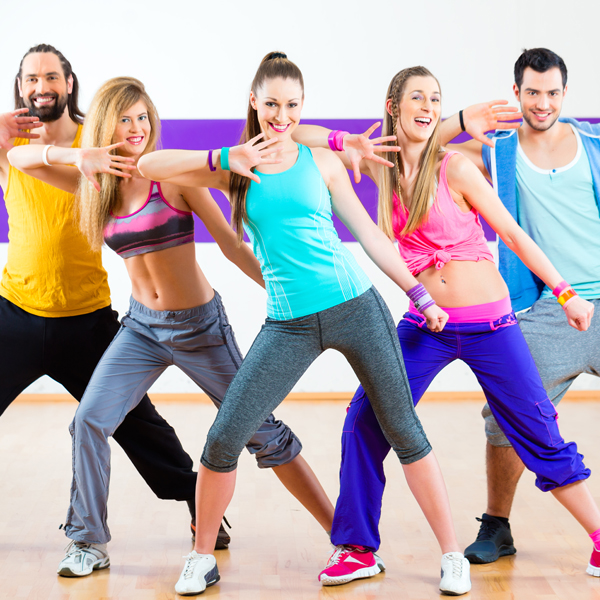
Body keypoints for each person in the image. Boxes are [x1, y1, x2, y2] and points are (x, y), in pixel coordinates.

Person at [139, 51, 472, 597]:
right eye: (271, 104)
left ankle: (452, 554)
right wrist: (224, 154)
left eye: (292, 105)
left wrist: (417, 293)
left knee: (403, 430)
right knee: (224, 437)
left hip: (355, 307)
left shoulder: (321, 161)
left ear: (302, 106)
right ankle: (201, 557)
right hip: (287, 325)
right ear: (254, 101)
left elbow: (369, 235)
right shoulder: (233, 167)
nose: (281, 115)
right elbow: (150, 165)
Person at [8, 75, 336, 578]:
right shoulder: (95, 184)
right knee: (89, 420)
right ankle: (88, 541)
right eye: (125, 118)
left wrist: (283, 292)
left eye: (143, 117)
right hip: (141, 329)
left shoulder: (175, 176)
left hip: (200, 328)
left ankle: (345, 533)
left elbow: (231, 244)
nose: (136, 127)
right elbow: (19, 159)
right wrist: (78, 156)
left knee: (263, 433)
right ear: (105, 124)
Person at [293, 64, 600, 584]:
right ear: (393, 106)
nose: (428, 107)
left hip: (491, 326)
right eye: (417, 97)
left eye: (435, 99)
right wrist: (347, 140)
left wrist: (565, 292)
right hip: (426, 324)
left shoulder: (453, 167)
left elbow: (513, 234)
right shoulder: (377, 166)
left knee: (537, 432)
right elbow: (298, 134)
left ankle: (598, 536)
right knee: (364, 419)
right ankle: (357, 548)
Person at [0, 43, 200, 550]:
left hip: (85, 319)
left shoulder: (101, 138)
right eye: (30, 78)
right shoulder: (10, 145)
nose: (41, 86)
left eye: (51, 76)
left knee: (138, 422)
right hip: (15, 313)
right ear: (20, 87)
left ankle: (199, 499)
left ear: (69, 83)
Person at [439, 47, 600, 568]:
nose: (542, 103)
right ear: (517, 92)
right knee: (506, 413)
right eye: (532, 92)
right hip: (550, 306)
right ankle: (497, 524)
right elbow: (421, 145)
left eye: (552, 92)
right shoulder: (497, 150)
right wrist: (461, 118)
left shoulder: (593, 145)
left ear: (565, 93)